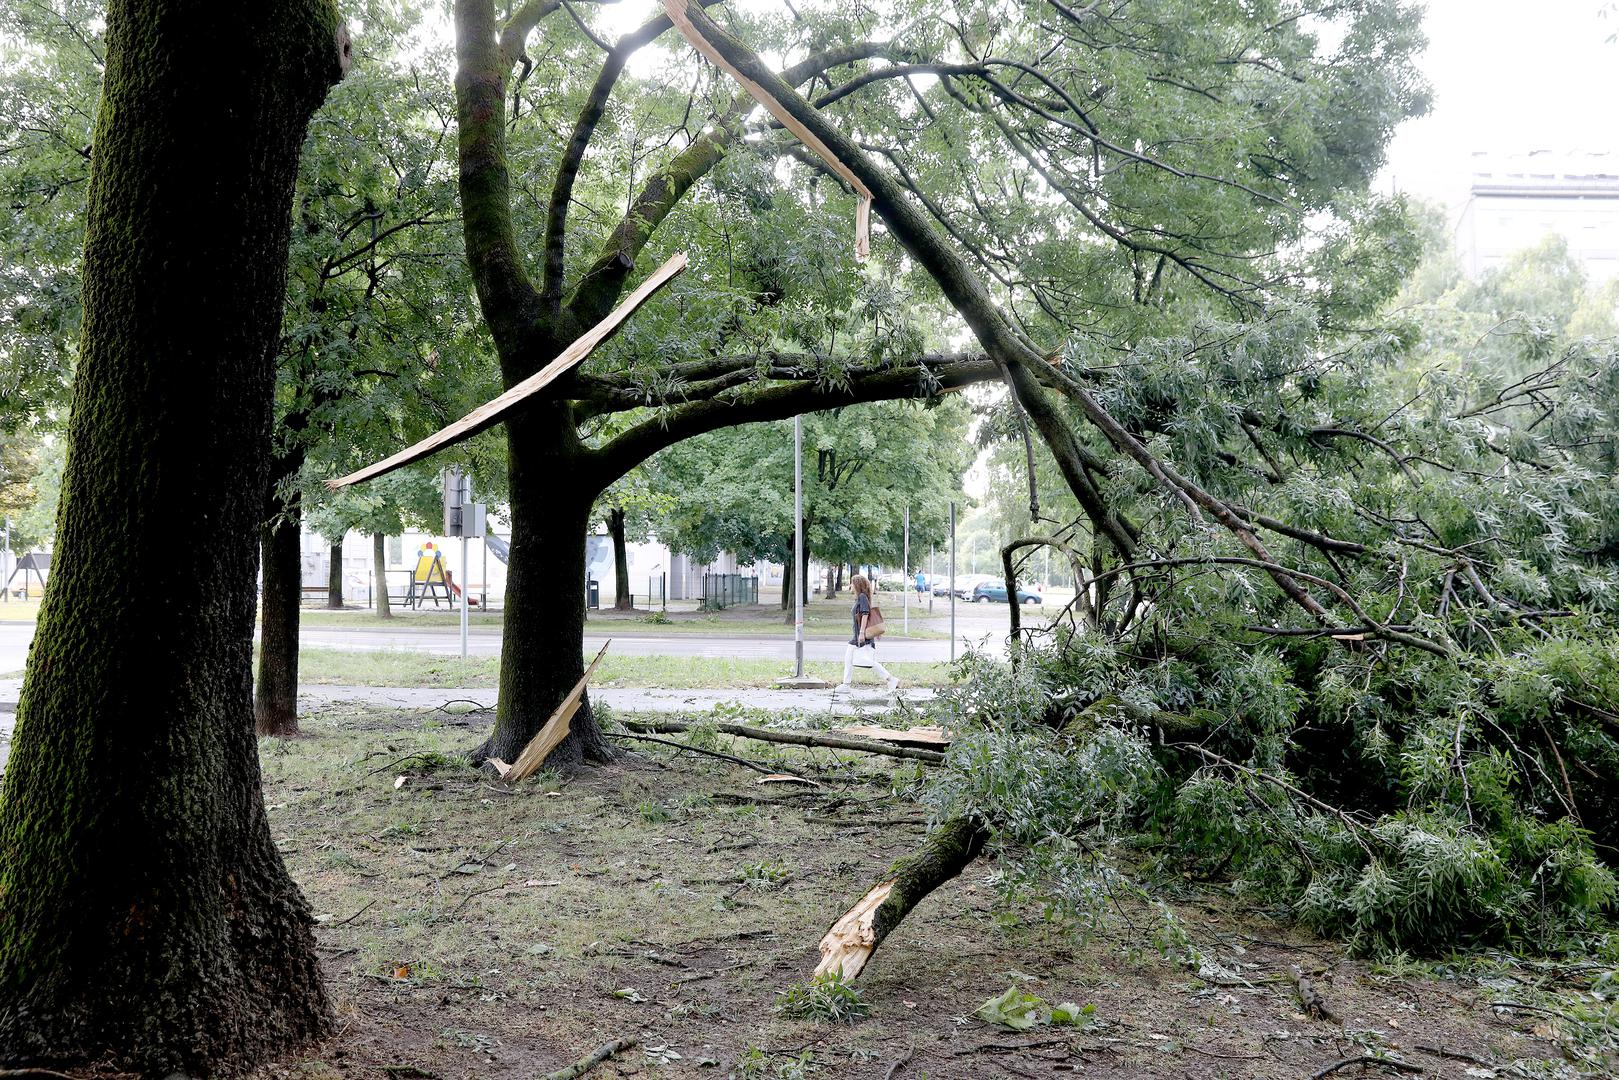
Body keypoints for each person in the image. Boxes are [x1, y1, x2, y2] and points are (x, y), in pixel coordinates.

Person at [838, 573, 899, 692]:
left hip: (861, 635)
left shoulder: (862, 597)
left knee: (866, 661)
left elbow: (865, 614)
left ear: (857, 585)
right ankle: (846, 684)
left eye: (852, 583)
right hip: (858, 635)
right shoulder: (860, 597)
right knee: (852, 658)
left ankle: (890, 679)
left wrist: (861, 633)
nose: (851, 586)